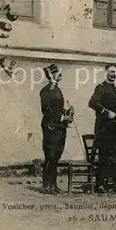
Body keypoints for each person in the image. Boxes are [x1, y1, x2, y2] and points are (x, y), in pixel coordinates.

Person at [88, 64, 116, 193]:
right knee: (103, 156)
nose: (113, 74)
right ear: (106, 73)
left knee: (115, 156)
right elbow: (92, 103)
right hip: (103, 128)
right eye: (111, 72)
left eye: (115, 72)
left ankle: (113, 183)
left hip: (114, 128)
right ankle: (99, 184)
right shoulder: (101, 88)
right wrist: (105, 111)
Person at [40, 64, 73, 195]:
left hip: (59, 128)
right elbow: (46, 111)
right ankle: (47, 186)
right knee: (51, 156)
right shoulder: (47, 90)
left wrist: (67, 112)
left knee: (55, 157)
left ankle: (52, 185)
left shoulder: (56, 89)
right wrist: (63, 117)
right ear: (52, 75)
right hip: (51, 127)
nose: (61, 75)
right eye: (59, 73)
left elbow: (56, 109)